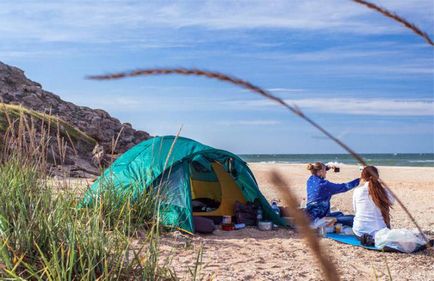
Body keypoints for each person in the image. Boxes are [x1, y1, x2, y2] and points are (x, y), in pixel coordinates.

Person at [305, 162, 359, 226]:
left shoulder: (310, 179)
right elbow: (344, 187)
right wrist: (359, 180)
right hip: (319, 218)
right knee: (352, 219)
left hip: (310, 215)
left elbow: (318, 170)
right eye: (325, 170)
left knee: (339, 213)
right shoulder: (324, 185)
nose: (326, 172)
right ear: (320, 171)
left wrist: (328, 167)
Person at [353, 166, 394, 238]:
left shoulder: (357, 190)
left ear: (363, 177)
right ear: (377, 176)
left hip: (360, 232)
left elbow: (355, 210)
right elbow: (391, 202)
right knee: (385, 208)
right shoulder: (385, 191)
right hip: (380, 233)